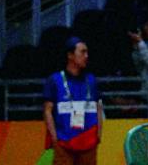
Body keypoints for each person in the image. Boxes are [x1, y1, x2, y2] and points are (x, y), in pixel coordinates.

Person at [43, 37, 103, 165]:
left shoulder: (91, 79)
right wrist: (54, 138)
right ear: (70, 55)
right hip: (63, 141)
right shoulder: (55, 80)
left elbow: (98, 106)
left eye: (87, 52)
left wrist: (98, 134)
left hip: (89, 141)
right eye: (82, 52)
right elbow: (47, 111)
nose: (86, 56)